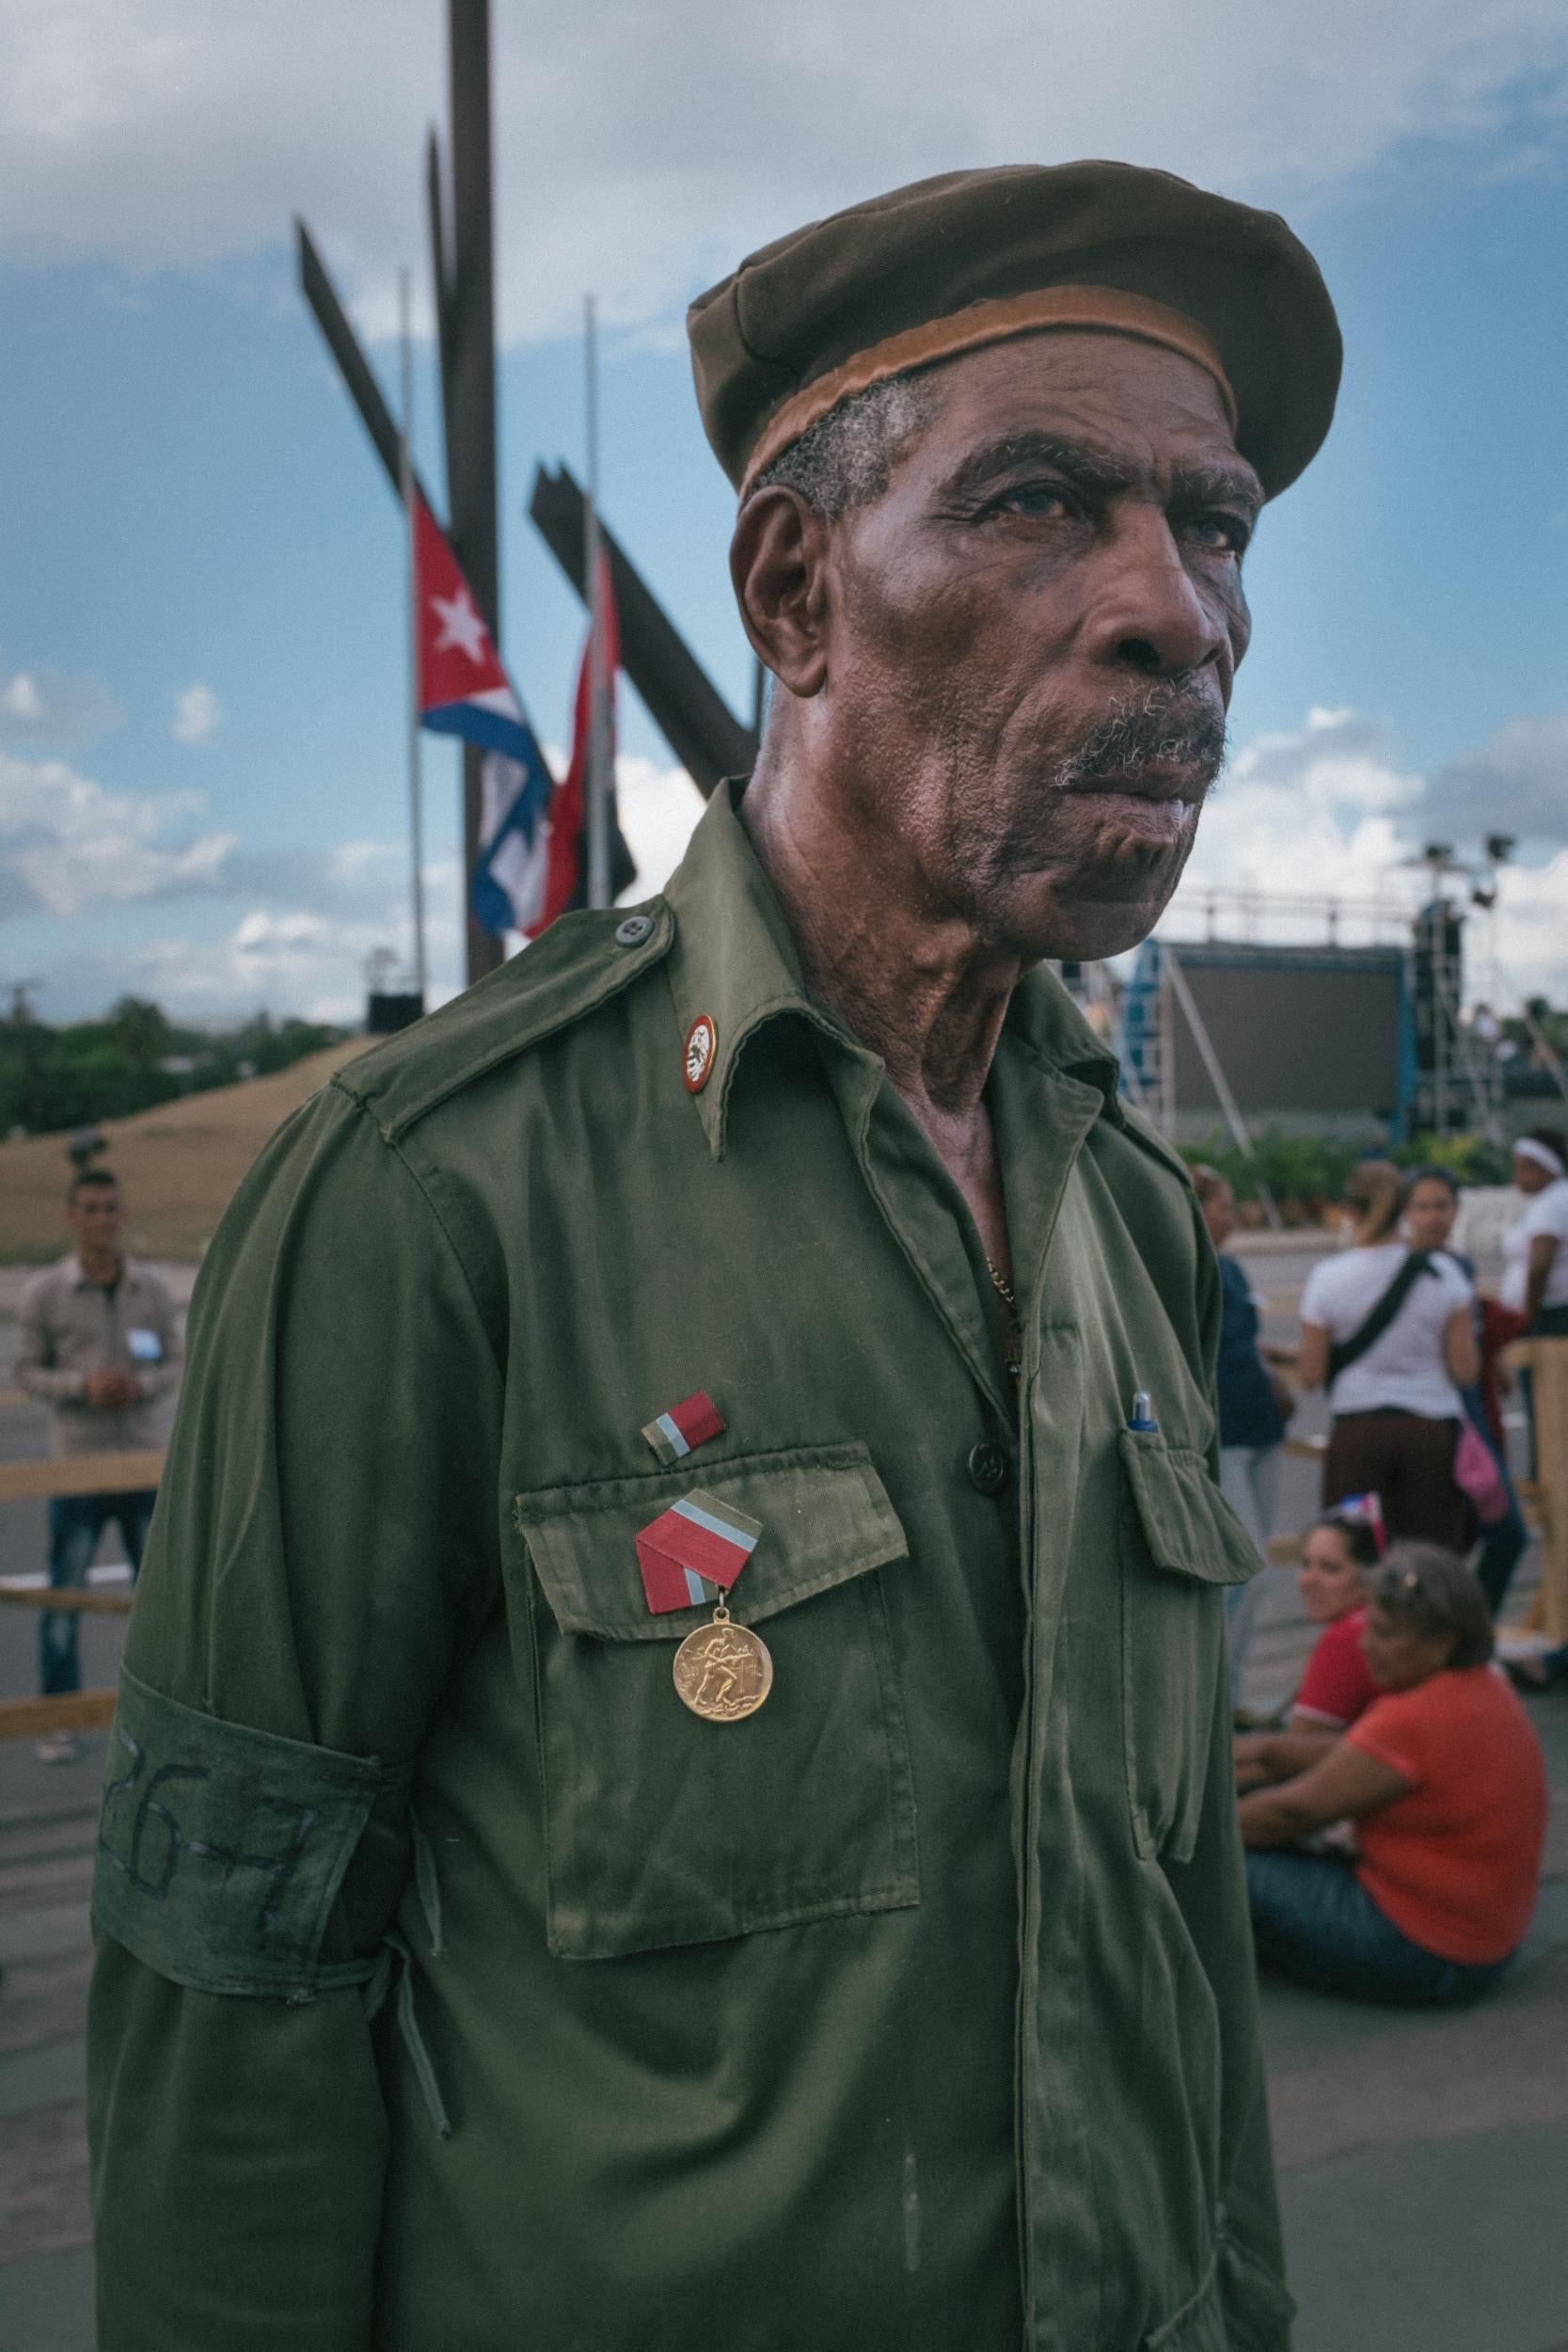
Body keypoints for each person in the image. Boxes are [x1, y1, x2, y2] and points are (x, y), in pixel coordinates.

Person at [88, 161, 1345, 2352]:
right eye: (1042, 503)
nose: (1179, 609)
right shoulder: (428, 1191)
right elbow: (234, 1992)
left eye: (1212, 523)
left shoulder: (1132, 1210)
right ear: (791, 592)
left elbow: (1176, 1947)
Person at [1240, 1546, 1547, 2005]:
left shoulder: (1413, 1718)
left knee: (1222, 1865)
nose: (1365, 1645)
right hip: (1480, 1944)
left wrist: (1175, 1836)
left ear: (1441, 1641)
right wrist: (1257, 1754)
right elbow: (1341, 1757)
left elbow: (1290, 1810)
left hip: (1428, 1955)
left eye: (1385, 1634)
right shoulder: (1481, 1687)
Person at [13, 1168, 181, 1763]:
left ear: (123, 1214)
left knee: (160, 1600)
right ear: (71, 1217)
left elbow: (177, 1362)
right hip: (77, 1468)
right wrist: (82, 1385)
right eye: (90, 1209)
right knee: (66, 1595)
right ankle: (57, 1717)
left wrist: (142, 1385)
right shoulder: (46, 1292)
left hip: (141, 1466)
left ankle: (163, 1719)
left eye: (111, 1208)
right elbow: (26, 1371)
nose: (102, 1219)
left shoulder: (152, 1289)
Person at [1298, 1158, 1477, 1549]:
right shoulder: (1445, 1274)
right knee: (1427, 1566)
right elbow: (1465, 1370)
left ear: (1349, 1212)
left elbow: (1310, 1375)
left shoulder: (1328, 1277)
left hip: (1358, 1434)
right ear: (1404, 1210)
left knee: (1357, 1560)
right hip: (1431, 1433)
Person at [1402, 1164, 1528, 1611]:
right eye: (1422, 1207)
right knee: (1444, 1541)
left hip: (1470, 1414)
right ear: (1405, 1213)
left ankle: (1467, 1635)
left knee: (1505, 1532)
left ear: (1456, 1211)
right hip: (1427, 1418)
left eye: (1442, 1205)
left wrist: (1491, 1358)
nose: (1433, 1216)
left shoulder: (1458, 1264)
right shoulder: (1401, 1268)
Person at [1192, 1165, 1291, 1707]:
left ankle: (1232, 1691)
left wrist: (1273, 1366)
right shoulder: (1180, 1262)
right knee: (1245, 1570)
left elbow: (1239, 1342)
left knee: (1259, 1568)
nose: (1233, 1216)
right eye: (1224, 1205)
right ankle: (1218, 1700)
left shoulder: (1231, 1267)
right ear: (1196, 1207)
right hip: (1222, 1431)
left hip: (1260, 1423)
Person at [1233, 1502, 1382, 1790]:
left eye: (1329, 1568)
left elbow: (1290, 1759)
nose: (1307, 1580)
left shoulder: (1348, 1637)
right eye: (1305, 1564)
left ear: (1367, 1578)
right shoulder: (1376, 1623)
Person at [1500, 1126, 1568, 1478]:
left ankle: (1549, 1479)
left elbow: (1539, 1265)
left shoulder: (1552, 1204)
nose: (1518, 1175)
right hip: (1550, 1315)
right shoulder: (1549, 1201)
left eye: (1525, 1167)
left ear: (1546, 1168)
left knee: (1546, 1407)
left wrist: (1525, 1315)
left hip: (1548, 1319)